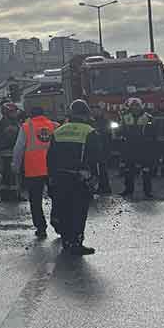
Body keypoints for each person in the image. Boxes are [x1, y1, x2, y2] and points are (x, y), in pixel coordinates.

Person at [47, 99, 103, 255]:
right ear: (86, 114)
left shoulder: (59, 131)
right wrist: (95, 178)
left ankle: (66, 241)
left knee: (64, 209)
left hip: (60, 177)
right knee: (79, 211)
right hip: (80, 177)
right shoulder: (89, 131)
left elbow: (50, 157)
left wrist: (51, 176)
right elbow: (96, 157)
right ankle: (76, 243)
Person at [12, 105, 56, 238]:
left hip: (33, 170)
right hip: (52, 169)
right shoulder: (54, 126)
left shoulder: (26, 127)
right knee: (57, 197)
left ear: (31, 115)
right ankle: (59, 223)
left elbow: (19, 148)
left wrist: (16, 166)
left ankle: (41, 228)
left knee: (35, 201)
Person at [119, 98, 156, 197]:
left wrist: (151, 147)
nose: (135, 107)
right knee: (128, 170)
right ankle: (128, 190)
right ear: (130, 107)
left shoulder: (148, 117)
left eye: (137, 105)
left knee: (146, 170)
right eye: (133, 105)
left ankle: (148, 191)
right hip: (129, 146)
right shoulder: (125, 117)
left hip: (144, 147)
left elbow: (152, 131)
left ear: (141, 106)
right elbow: (121, 130)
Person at [0, 103, 22, 188]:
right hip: (8, 151)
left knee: (10, 171)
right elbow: (12, 138)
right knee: (9, 171)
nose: (15, 113)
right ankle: (10, 189)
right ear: (7, 112)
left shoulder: (14, 122)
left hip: (11, 150)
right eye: (13, 112)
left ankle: (11, 187)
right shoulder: (6, 123)